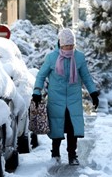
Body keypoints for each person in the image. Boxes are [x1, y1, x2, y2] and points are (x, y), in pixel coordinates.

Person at [32, 28, 99, 165]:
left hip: (74, 98)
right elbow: (41, 75)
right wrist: (37, 92)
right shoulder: (51, 58)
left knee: (72, 128)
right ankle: (55, 153)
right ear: (60, 44)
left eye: (71, 45)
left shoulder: (79, 57)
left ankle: (72, 155)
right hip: (56, 98)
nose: (69, 48)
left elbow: (86, 77)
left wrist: (93, 93)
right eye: (66, 45)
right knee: (57, 126)